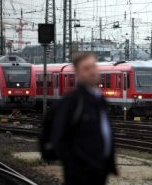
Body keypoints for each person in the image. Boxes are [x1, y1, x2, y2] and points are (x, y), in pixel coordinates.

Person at [50, 53, 117, 185]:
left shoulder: (100, 100)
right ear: (78, 73)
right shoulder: (71, 102)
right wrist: (74, 166)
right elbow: (57, 137)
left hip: (99, 172)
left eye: (93, 66)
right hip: (80, 175)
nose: (91, 71)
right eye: (86, 68)